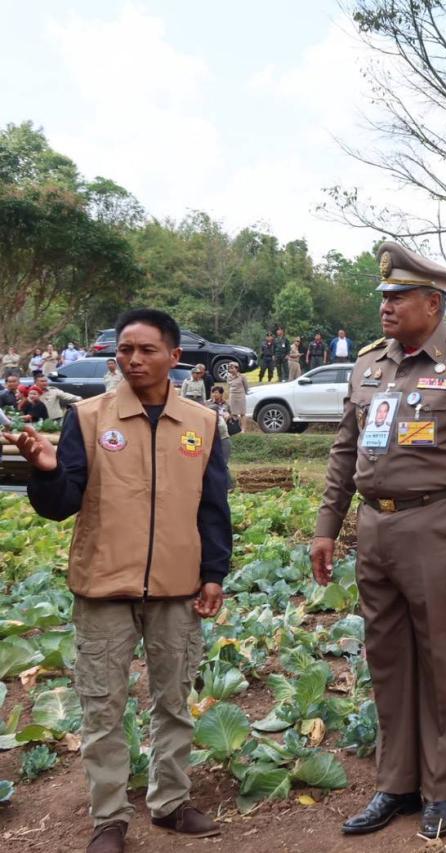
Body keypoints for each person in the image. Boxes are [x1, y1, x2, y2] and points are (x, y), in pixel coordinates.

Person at [5, 308, 229, 853]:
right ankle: (109, 818)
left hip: (176, 586)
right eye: (125, 349)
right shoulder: (87, 418)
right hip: (104, 586)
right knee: (103, 705)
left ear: (175, 358)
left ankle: (171, 803)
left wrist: (213, 573)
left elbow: (213, 506)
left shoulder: (202, 424)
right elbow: (61, 506)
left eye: (146, 350)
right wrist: (45, 469)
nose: (133, 359)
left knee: (173, 701)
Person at [311, 242, 446, 841]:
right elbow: (344, 451)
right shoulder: (369, 365)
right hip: (375, 529)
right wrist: (326, 527)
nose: (386, 308)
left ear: (434, 302)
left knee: (442, 662)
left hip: (437, 531)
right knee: (388, 660)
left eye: (398, 297)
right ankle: (394, 784)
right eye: (384, 298)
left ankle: (440, 788)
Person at [206, 387, 232, 461]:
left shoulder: (226, 404)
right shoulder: (208, 403)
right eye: (213, 392)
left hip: (223, 432)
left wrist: (228, 416)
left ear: (221, 394)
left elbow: (231, 414)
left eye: (216, 392)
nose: (214, 394)